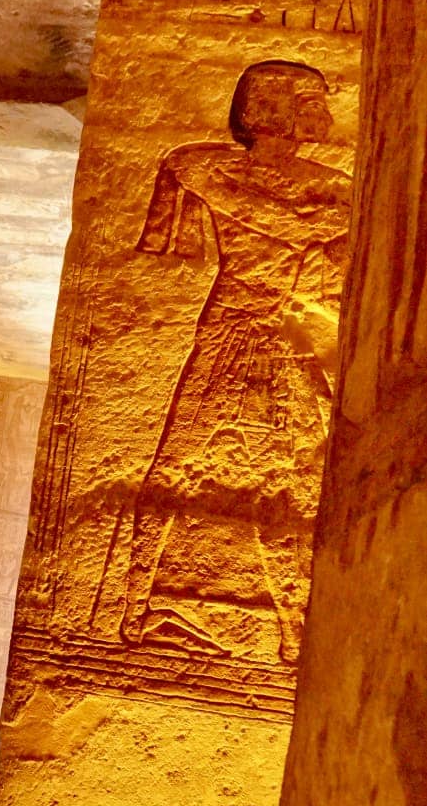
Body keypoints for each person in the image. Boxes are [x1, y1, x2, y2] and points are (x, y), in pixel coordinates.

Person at [116, 59, 351, 663]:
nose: (326, 115)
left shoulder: (325, 186)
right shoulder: (208, 167)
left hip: (286, 337)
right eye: (312, 102)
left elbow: (321, 242)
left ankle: (297, 628)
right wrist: (312, 221)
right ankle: (133, 607)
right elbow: (290, 223)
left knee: (291, 485)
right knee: (176, 465)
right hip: (228, 330)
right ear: (274, 107)